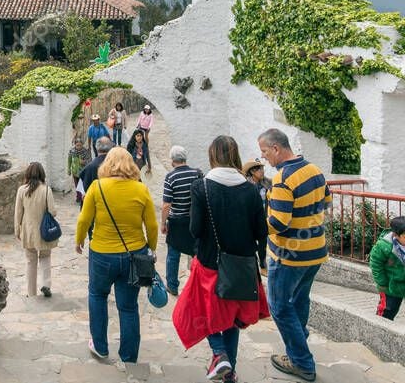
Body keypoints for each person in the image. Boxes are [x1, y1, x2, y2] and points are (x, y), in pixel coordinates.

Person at [172, 135, 269, 383]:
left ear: (212, 155)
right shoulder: (251, 190)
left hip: (211, 262)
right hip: (242, 265)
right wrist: (261, 260)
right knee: (231, 320)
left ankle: (218, 353)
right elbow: (261, 231)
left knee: (199, 310)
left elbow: (195, 229)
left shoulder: (201, 187)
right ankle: (229, 372)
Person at [258, 128, 332, 383]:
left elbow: (278, 223)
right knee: (300, 300)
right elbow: (327, 202)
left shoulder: (282, 179)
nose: (263, 157)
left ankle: (301, 362)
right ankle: (298, 344)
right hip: (315, 251)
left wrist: (256, 227)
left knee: (279, 307)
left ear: (276, 148)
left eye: (264, 152)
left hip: (288, 255)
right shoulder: (314, 170)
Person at [75, 147, 158, 366]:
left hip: (102, 253)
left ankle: (100, 346)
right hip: (134, 254)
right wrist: (152, 248)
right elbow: (151, 225)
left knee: (97, 296)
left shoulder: (97, 187)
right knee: (128, 306)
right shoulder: (141, 189)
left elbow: (84, 219)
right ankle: (129, 355)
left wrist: (79, 239)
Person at [161, 145, 202, 296]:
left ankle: (172, 285)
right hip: (193, 220)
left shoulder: (171, 177)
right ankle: (195, 285)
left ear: (172, 160)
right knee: (195, 253)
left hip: (176, 221)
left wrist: (163, 223)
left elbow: (166, 205)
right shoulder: (197, 173)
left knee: (173, 254)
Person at [14, 161, 59, 298]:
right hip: (44, 231)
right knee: (45, 257)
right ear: (42, 174)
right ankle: (46, 284)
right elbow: (53, 211)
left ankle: (31, 292)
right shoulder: (46, 190)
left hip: (28, 231)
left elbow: (18, 213)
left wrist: (17, 230)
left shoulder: (22, 190)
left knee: (30, 261)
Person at [369, 216, 405, 321]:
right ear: (396, 235)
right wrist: (383, 283)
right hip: (391, 287)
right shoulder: (384, 246)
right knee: (388, 311)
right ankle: (379, 327)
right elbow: (375, 264)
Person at [243, 158, 271, 273]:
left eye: (262, 168)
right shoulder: (245, 185)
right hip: (249, 219)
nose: (262, 171)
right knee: (249, 243)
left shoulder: (267, 183)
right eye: (259, 169)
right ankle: (251, 265)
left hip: (263, 218)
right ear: (252, 171)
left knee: (263, 243)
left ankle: (263, 265)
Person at [67, 138, 91, 204]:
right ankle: (78, 197)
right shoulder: (72, 151)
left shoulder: (85, 151)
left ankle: (82, 197)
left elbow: (89, 161)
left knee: (82, 185)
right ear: (75, 145)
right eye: (77, 145)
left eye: (80, 145)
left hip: (83, 172)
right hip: (75, 172)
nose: (79, 147)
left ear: (82, 145)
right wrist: (69, 169)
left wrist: (84, 162)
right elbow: (69, 161)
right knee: (77, 185)